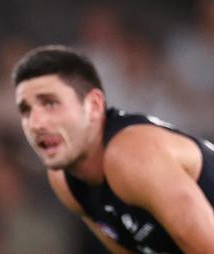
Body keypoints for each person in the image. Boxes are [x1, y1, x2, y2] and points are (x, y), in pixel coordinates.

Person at [11, 45, 214, 254]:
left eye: (51, 104)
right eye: (25, 110)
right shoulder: (64, 180)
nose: (36, 123)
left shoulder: (132, 156)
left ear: (94, 105)